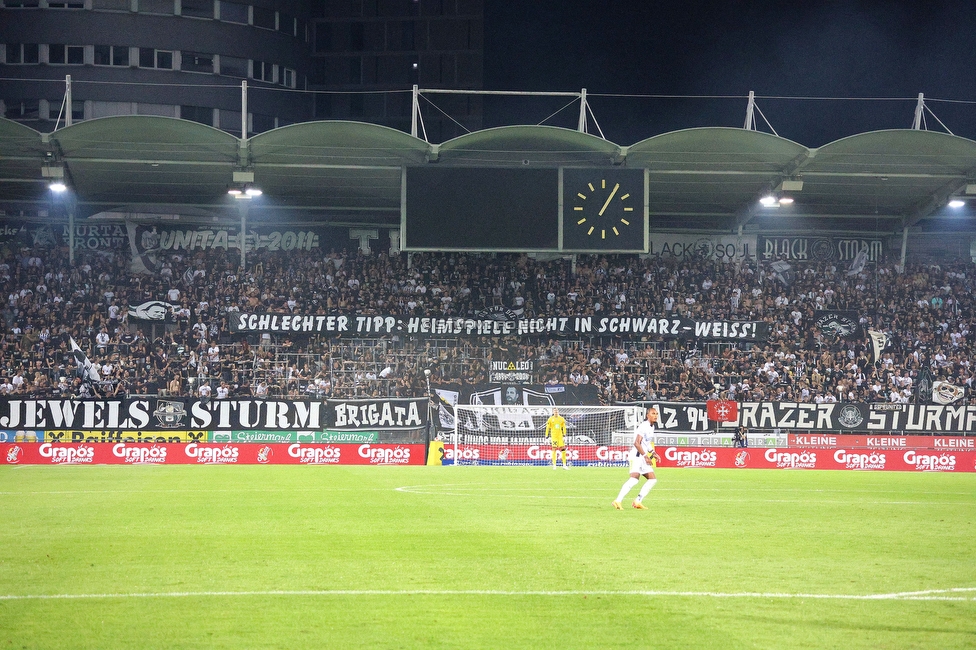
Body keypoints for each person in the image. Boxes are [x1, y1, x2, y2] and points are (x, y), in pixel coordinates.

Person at [613, 407, 660, 510]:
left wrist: (653, 452)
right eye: (653, 413)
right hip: (637, 456)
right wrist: (645, 456)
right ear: (648, 415)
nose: (655, 415)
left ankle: (637, 501)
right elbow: (637, 443)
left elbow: (645, 443)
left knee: (652, 480)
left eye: (656, 413)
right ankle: (617, 501)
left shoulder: (651, 427)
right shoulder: (644, 426)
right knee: (634, 479)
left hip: (642, 457)